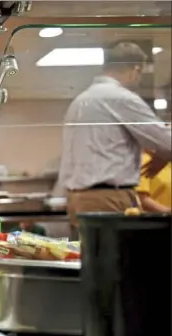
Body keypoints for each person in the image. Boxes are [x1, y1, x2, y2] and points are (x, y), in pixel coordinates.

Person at [58, 40, 171, 231]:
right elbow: (167, 142)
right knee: (116, 259)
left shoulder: (82, 100)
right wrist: (164, 153)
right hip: (107, 198)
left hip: (78, 197)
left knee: (93, 258)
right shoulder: (120, 98)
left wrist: (163, 152)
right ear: (135, 70)